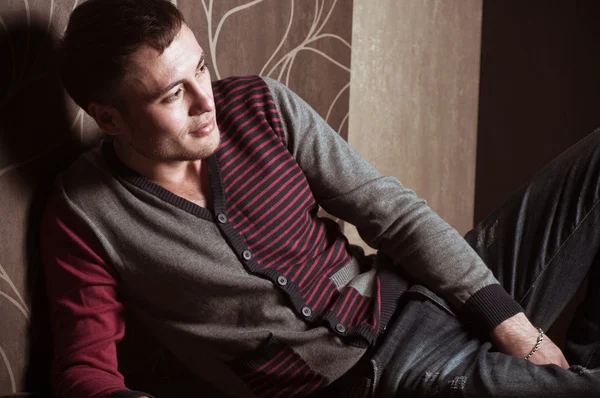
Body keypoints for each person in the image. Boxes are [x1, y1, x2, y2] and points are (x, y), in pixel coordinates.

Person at [41, 0, 600, 397]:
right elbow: (84, 368)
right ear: (109, 118)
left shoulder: (258, 106)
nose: (204, 99)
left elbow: (395, 216)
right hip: (382, 376)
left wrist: (514, 326)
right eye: (171, 94)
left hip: (419, 295)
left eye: (202, 69)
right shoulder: (85, 213)